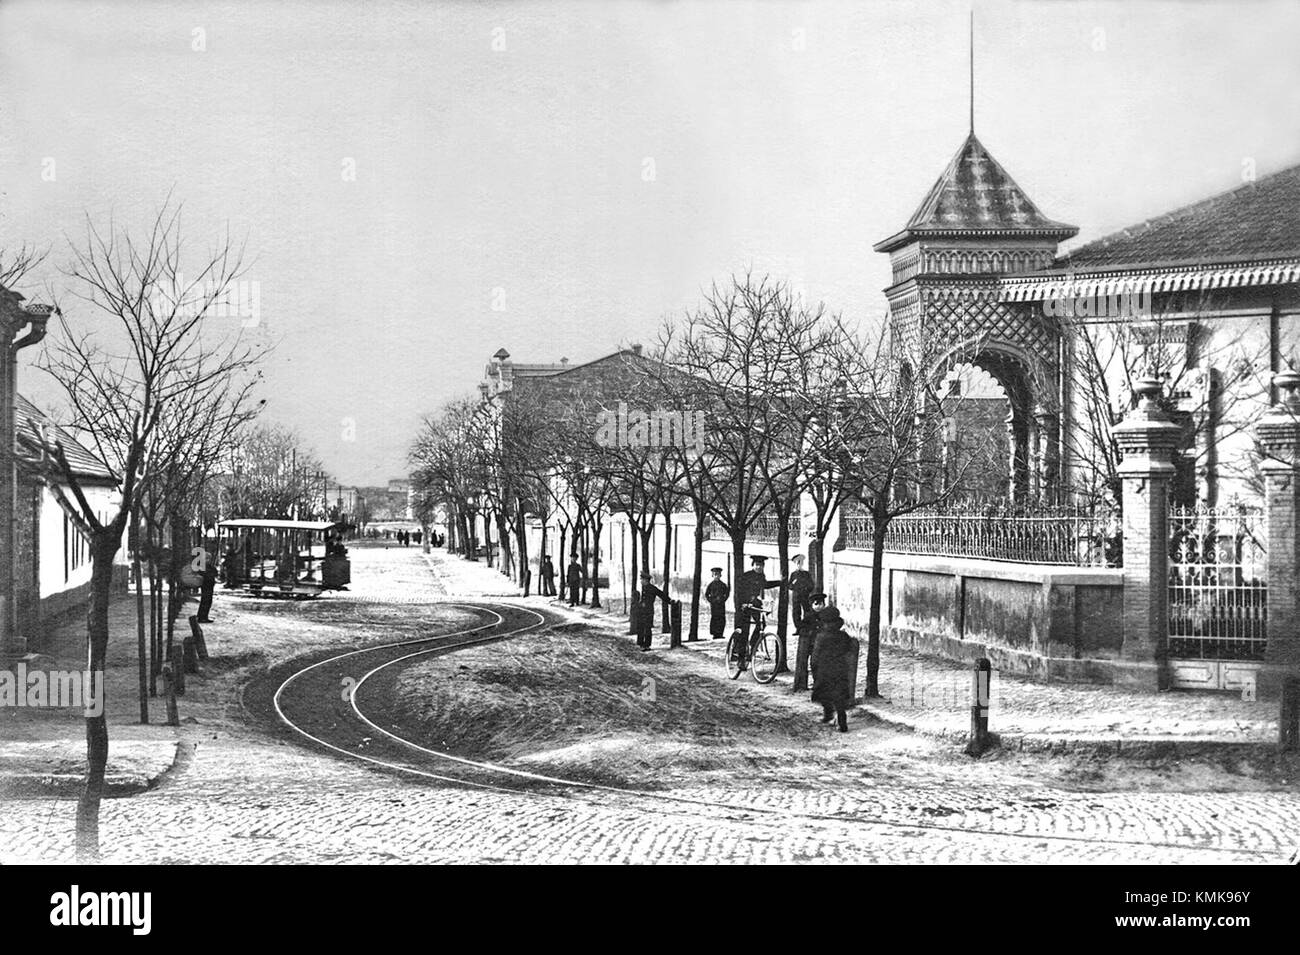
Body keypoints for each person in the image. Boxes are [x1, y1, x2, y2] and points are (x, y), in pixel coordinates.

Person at [810, 604, 853, 733]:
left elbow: (815, 657)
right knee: (839, 696)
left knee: (824, 693)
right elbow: (849, 650)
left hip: (824, 671)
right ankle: (842, 720)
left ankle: (828, 714)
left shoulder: (821, 637)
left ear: (824, 624)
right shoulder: (844, 636)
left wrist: (814, 670)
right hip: (840, 670)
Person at [736, 555, 782, 647]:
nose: (759, 567)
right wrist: (743, 603)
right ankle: (738, 649)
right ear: (753, 565)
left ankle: (753, 644)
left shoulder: (761, 576)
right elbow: (740, 591)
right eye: (757, 565)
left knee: (761, 624)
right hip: (745, 604)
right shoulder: (746, 576)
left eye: (761, 565)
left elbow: (765, 585)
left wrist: (779, 582)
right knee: (745, 628)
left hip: (754, 603)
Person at [636, 572, 666, 650]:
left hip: (648, 611)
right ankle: (641, 643)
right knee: (641, 627)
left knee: (647, 628)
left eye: (642, 580)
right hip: (642, 611)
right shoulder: (644, 588)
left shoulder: (652, 588)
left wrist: (670, 601)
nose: (641, 581)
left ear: (646, 580)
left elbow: (661, 594)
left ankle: (647, 645)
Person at [788, 555, 814, 631]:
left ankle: (806, 627)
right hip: (796, 596)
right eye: (797, 563)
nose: (799, 565)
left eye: (800, 563)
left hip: (805, 596)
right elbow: (789, 586)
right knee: (796, 613)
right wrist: (793, 584)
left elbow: (811, 585)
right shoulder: (793, 574)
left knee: (807, 611)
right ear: (795, 564)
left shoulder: (806, 574)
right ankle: (798, 628)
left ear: (802, 564)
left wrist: (806, 589)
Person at [196, 543, 218, 623]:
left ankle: (202, 616)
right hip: (206, 585)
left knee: (206, 601)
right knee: (206, 601)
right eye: (207, 559)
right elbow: (212, 574)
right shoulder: (205, 567)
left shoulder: (206, 566)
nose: (208, 560)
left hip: (208, 585)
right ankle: (203, 617)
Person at [704, 567, 729, 639]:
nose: (716, 576)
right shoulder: (711, 585)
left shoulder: (723, 585)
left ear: (720, 575)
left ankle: (720, 633)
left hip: (721, 604)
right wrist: (711, 600)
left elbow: (727, 593)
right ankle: (714, 633)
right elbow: (706, 594)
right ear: (712, 575)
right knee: (715, 617)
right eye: (715, 574)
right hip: (714, 604)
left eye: (718, 575)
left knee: (721, 618)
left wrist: (723, 599)